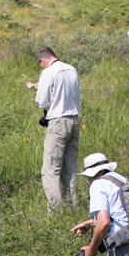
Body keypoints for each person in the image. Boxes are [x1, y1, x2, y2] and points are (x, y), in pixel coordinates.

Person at [29, 47, 80, 210]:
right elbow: (75, 96)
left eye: (41, 65)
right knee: (70, 167)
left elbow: (41, 102)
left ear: (42, 61)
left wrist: (40, 88)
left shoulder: (48, 72)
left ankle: (57, 211)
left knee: (51, 169)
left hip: (57, 122)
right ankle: (72, 206)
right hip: (74, 120)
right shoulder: (71, 69)